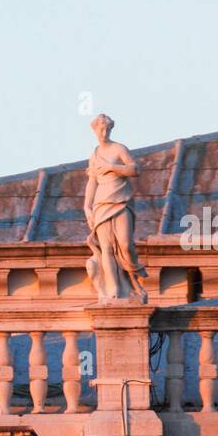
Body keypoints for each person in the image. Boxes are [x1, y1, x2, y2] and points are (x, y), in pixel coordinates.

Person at [84, 113, 148, 303]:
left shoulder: (119, 149)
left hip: (121, 200)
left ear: (111, 129)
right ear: (95, 130)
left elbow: (134, 169)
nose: (103, 133)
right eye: (100, 129)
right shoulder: (94, 155)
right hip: (101, 203)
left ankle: (134, 278)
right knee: (106, 248)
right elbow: (92, 182)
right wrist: (87, 206)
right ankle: (114, 289)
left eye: (106, 129)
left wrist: (113, 167)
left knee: (126, 244)